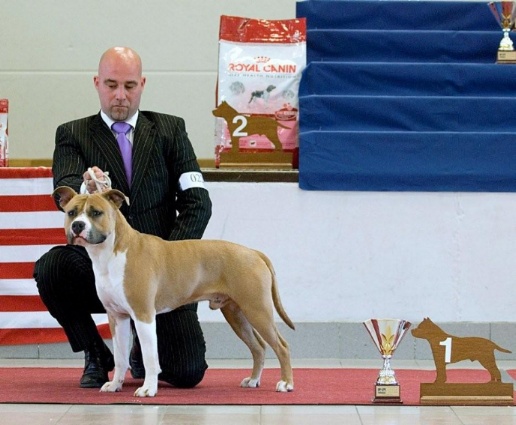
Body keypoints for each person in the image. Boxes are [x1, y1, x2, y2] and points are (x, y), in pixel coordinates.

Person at [33, 46, 212, 389]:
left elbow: (198, 201)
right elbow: (63, 187)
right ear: (97, 83)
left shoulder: (171, 129)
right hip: (100, 264)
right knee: (52, 268)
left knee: (187, 372)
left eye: (129, 86)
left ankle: (139, 354)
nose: (120, 95)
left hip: (161, 270)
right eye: (111, 84)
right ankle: (96, 353)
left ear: (142, 84)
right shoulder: (72, 133)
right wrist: (84, 187)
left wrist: (168, 260)